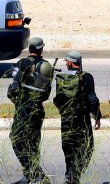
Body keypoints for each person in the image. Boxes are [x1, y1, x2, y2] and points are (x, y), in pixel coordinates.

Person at [7, 36, 53, 184]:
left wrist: (16, 100)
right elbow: (46, 94)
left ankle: (35, 174)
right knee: (33, 144)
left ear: (29, 48)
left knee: (16, 139)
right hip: (37, 109)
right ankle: (30, 176)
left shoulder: (22, 63)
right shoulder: (46, 66)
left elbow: (13, 89)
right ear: (41, 49)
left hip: (24, 109)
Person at [54, 51, 102, 184]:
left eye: (66, 62)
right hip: (82, 120)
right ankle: (74, 177)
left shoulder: (60, 77)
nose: (66, 64)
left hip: (66, 120)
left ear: (70, 62)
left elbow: (57, 100)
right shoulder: (87, 77)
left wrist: (64, 112)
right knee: (87, 147)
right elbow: (92, 99)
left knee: (69, 150)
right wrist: (97, 116)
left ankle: (69, 176)